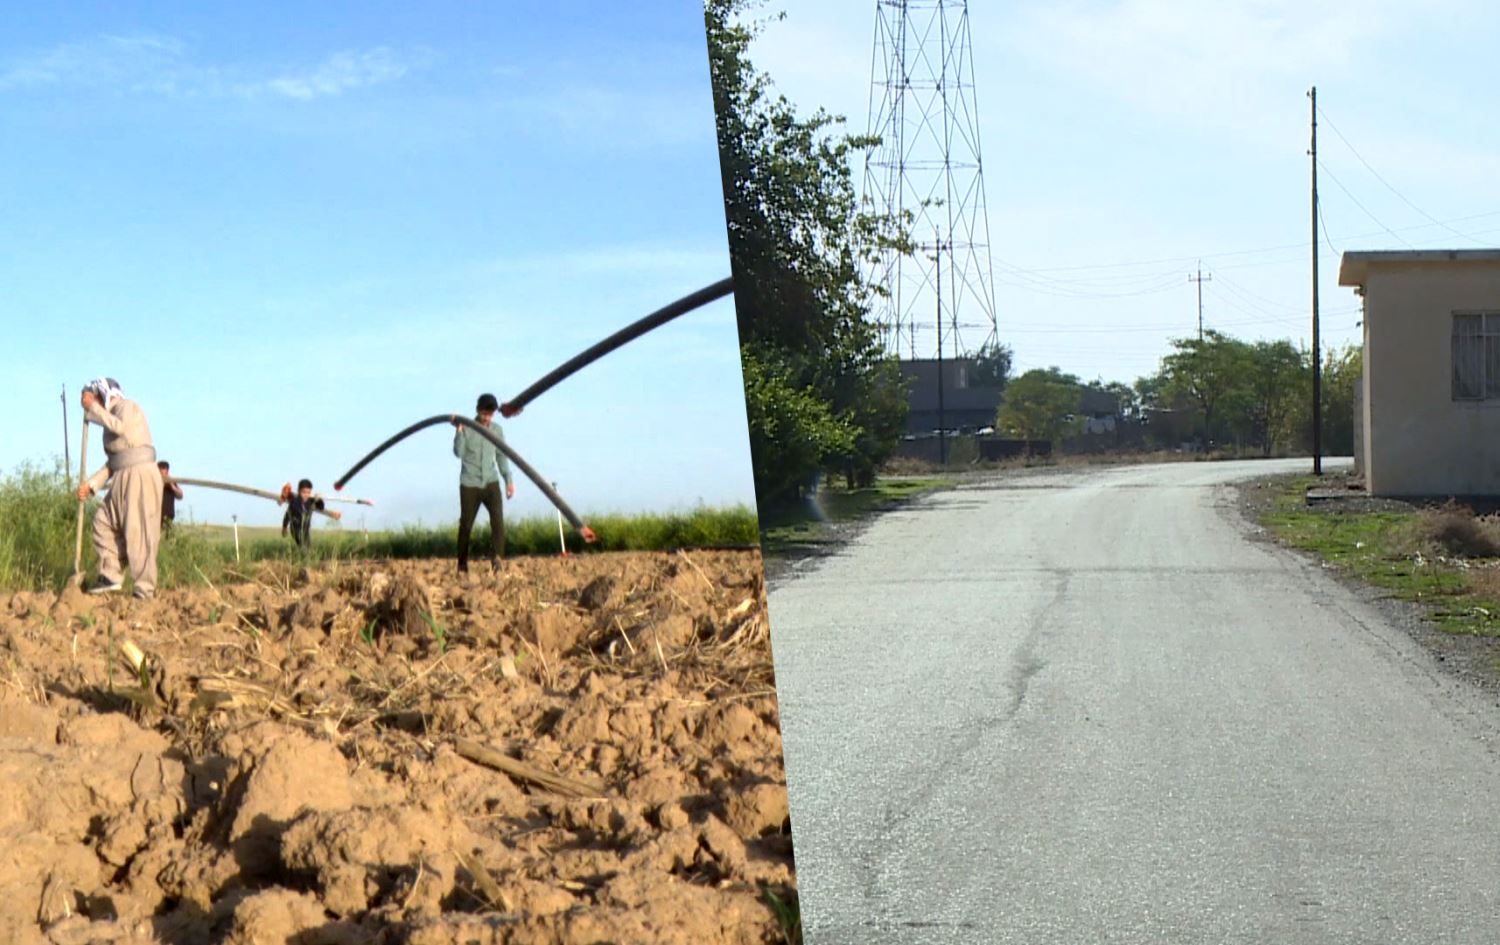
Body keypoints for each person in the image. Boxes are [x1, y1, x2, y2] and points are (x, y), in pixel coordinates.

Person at [76, 377, 163, 599]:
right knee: (103, 521)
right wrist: (92, 485)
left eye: (95, 397)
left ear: (104, 393)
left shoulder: (128, 407)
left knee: (139, 530)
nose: (91, 402)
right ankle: (111, 575)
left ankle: (144, 590)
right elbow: (114, 462)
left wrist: (92, 408)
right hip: (122, 476)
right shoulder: (108, 421)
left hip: (140, 474)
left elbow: (120, 428)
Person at [452, 393, 515, 573]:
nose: (488, 417)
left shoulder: (497, 430)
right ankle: (462, 564)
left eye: (491, 413)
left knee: (498, 521)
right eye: (485, 413)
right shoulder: (467, 428)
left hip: (491, 481)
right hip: (469, 483)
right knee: (465, 525)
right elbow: (458, 452)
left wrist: (508, 480)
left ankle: (497, 559)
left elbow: (502, 456)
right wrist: (459, 431)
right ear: (478, 411)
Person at [279, 479, 341, 548]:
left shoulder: (310, 501)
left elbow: (321, 507)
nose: (306, 495)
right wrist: (284, 528)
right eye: (303, 492)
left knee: (307, 547)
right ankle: (305, 555)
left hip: (305, 529)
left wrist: (319, 499)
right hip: (295, 528)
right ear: (299, 491)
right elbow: (287, 515)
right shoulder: (294, 502)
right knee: (304, 546)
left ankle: (306, 556)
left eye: (308, 492)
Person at [158, 461, 184, 531]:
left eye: (166, 470)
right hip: (156, 517)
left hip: (168, 517)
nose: (165, 473)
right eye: (162, 469)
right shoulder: (153, 483)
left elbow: (180, 496)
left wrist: (172, 486)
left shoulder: (172, 483)